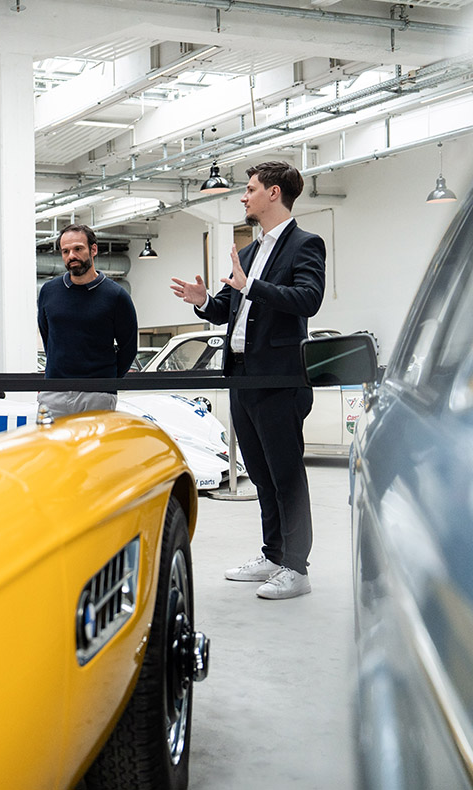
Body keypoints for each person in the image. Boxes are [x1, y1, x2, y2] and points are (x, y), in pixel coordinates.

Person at [171, 160, 326, 601]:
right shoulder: (254, 250)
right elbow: (227, 307)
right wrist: (204, 301)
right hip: (242, 378)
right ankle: (274, 554)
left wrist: (252, 287)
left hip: (279, 379)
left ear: (273, 193)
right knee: (259, 473)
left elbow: (308, 300)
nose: (244, 196)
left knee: (286, 475)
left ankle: (297, 567)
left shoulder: (305, 244)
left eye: (250, 188)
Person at [37, 223, 138, 418]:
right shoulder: (49, 292)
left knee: (95, 449)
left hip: (98, 394)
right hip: (54, 392)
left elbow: (129, 347)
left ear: (93, 249)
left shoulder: (116, 295)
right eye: (65, 251)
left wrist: (107, 382)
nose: (71, 256)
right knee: (54, 449)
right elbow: (48, 336)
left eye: (78, 249)